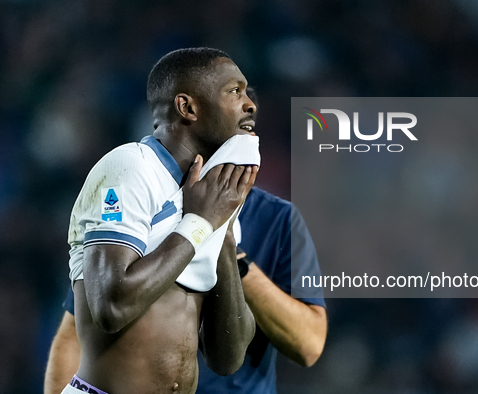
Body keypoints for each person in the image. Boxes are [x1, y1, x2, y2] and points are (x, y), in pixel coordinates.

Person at [45, 86, 328, 394]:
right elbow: (76, 329)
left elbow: (308, 344)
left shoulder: (277, 219)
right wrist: (200, 224)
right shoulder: (143, 192)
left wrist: (228, 246)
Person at [59, 47, 259, 394]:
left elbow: (227, 358)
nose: (250, 104)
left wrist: (220, 229)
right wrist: (198, 223)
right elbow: (111, 306)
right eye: (234, 91)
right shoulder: (131, 167)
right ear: (187, 107)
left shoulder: (211, 199)